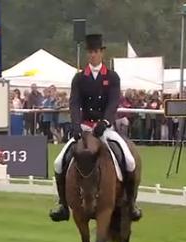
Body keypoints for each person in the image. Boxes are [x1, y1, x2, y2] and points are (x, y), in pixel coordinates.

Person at [50, 34, 142, 222]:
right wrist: (75, 125)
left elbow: (114, 101)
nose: (93, 55)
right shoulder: (79, 78)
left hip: (105, 128)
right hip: (84, 127)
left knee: (130, 160)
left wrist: (105, 122)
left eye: (96, 52)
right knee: (59, 162)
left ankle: (131, 203)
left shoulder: (112, 77)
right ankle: (63, 204)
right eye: (90, 52)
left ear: (101, 53)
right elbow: (74, 102)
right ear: (88, 54)